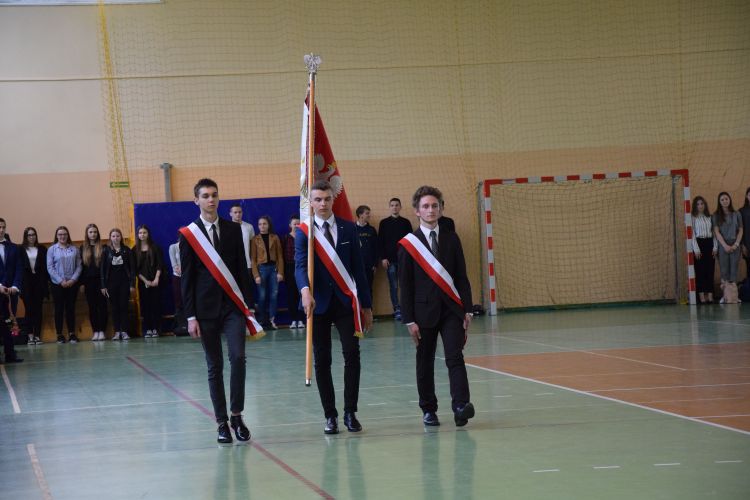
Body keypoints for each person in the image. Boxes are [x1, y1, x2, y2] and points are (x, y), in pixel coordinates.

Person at [180, 178, 255, 444]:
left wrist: (249, 307)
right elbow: (187, 278)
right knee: (215, 366)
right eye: (205, 196)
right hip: (205, 310)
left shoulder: (234, 230)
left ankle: (237, 415)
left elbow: (243, 269)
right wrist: (190, 316)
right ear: (196, 200)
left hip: (233, 307)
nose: (211, 199)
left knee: (238, 357)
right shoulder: (189, 234)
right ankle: (221, 422)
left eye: (214, 195)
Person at [295, 180, 373, 434]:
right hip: (317, 304)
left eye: (327, 199)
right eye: (318, 200)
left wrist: (367, 306)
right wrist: (305, 291)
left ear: (332, 200)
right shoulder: (304, 232)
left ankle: (350, 412)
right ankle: (330, 415)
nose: (323, 204)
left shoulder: (349, 228)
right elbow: (300, 266)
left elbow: (359, 270)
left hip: (345, 302)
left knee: (352, 354)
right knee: (322, 360)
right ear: (311, 203)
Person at [398, 186, 474, 427]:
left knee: (455, 357)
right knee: (425, 361)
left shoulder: (452, 238)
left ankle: (461, 406)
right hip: (423, 313)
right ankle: (428, 409)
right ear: (416, 211)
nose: (430, 210)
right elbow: (405, 285)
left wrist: (468, 309)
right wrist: (409, 319)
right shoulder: (409, 244)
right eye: (425, 206)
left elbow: (461, 276)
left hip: (452, 310)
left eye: (434, 205)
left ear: (441, 208)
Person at [378, 197, 413, 320]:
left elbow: (410, 241)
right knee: (394, 286)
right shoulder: (384, 223)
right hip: (390, 261)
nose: (394, 207)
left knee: (405, 285)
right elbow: (380, 242)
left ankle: (406, 309)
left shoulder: (406, 222)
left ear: (400, 207)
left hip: (403, 260)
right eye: (392, 205)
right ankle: (397, 309)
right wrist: (383, 258)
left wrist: (409, 258)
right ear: (389, 207)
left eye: (397, 205)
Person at [47, 225, 82, 344]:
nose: (62, 236)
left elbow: (79, 266)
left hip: (72, 284)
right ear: (56, 236)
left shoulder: (75, 249)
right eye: (60, 234)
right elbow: (50, 267)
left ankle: (72, 333)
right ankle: (59, 334)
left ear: (68, 235)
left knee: (70, 308)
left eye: (64, 234)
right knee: (59, 309)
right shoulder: (52, 249)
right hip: (57, 284)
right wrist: (60, 281)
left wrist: (73, 279)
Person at [101, 228, 135, 341]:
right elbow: (102, 269)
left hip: (124, 283)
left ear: (121, 237)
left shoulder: (127, 250)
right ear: (110, 238)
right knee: (114, 308)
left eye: (118, 236)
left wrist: (132, 284)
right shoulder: (106, 251)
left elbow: (132, 269)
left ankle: (124, 331)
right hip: (111, 284)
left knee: (124, 307)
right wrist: (103, 285)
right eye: (113, 236)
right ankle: (116, 332)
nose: (116, 238)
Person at [251, 215, 283, 329]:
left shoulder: (275, 238)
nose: (262, 226)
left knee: (274, 295)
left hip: (273, 269)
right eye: (260, 224)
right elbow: (253, 259)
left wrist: (280, 272)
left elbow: (280, 256)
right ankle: (262, 320)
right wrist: (256, 275)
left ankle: (272, 319)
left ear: (268, 225)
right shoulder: (255, 239)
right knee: (262, 296)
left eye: (264, 224)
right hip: (261, 270)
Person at [712, 192, 744, 303]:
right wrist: (725, 245)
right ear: (719, 202)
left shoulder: (737, 214)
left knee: (734, 270)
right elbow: (716, 232)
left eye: (726, 199)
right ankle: (725, 296)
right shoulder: (716, 215)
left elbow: (741, 230)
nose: (725, 201)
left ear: (729, 199)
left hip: (735, 245)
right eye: (722, 199)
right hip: (723, 246)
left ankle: (734, 296)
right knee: (724, 271)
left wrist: (736, 244)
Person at [133, 224, 163, 338]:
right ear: (138, 235)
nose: (142, 235)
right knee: (145, 306)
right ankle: (148, 329)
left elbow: (160, 264)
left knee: (156, 305)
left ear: (148, 234)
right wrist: (145, 281)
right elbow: (135, 270)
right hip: (143, 282)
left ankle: (156, 328)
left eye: (144, 232)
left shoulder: (155, 247)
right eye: (140, 233)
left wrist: (156, 279)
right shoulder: (134, 250)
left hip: (156, 281)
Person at [19, 227, 48, 345]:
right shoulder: (20, 249)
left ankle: (37, 335)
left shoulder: (42, 249)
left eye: (33, 234)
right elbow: (19, 267)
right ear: (25, 237)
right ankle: (30, 335)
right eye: (29, 235)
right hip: (26, 282)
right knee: (29, 309)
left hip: (39, 282)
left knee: (38, 309)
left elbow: (45, 267)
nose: (32, 237)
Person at [0, 218, 23, 363]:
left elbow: (19, 269)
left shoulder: (14, 247)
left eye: (3, 227)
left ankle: (10, 354)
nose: (1, 230)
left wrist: (15, 286)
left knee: (9, 323)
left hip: (10, 293)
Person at [80, 224, 108, 341]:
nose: (93, 234)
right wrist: (82, 283)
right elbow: (81, 267)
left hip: (101, 282)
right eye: (90, 232)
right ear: (87, 234)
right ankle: (95, 331)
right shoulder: (83, 248)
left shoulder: (103, 247)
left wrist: (104, 284)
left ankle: (102, 331)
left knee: (102, 307)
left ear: (98, 233)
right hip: (88, 282)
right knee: (92, 307)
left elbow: (105, 267)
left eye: (95, 232)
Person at [691, 196, 717, 304]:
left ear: (705, 205)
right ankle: (701, 296)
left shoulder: (710, 217)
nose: (700, 206)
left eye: (702, 203)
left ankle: (710, 295)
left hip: (709, 243)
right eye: (698, 204)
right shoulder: (693, 218)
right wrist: (696, 249)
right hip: (699, 243)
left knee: (710, 270)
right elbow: (692, 234)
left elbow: (714, 233)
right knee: (700, 270)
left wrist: (715, 247)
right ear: (695, 206)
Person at [282, 215, 304, 328]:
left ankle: (301, 319)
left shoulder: (304, 236)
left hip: (301, 267)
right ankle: (293, 320)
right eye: (294, 224)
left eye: (298, 223)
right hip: (289, 268)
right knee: (291, 295)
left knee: (301, 294)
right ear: (290, 225)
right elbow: (282, 255)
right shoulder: (286, 238)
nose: (296, 225)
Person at [355, 205, 378, 295]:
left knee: (368, 289)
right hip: (356, 266)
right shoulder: (352, 229)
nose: (369, 215)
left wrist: (375, 264)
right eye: (367, 213)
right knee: (357, 290)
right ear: (360, 215)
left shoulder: (372, 230)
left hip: (369, 266)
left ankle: (369, 305)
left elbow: (376, 248)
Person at [229, 203, 255, 280]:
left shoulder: (249, 227)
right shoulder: (225, 228)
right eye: (235, 212)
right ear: (230, 214)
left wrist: (253, 263)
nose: (238, 214)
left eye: (240, 212)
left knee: (247, 287)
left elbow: (253, 248)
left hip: (247, 265)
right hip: (231, 265)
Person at [740, 187, 750, 281]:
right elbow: (740, 230)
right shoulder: (742, 211)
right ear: (747, 196)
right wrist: (742, 245)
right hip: (747, 244)